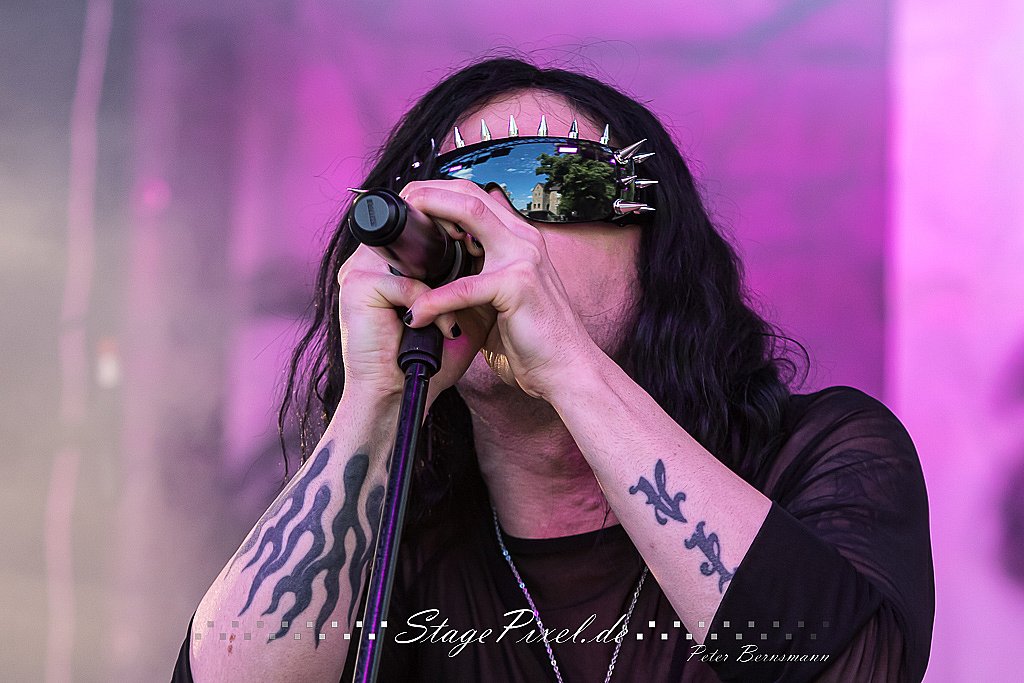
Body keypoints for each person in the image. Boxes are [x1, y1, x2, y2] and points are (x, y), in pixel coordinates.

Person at [172, 57, 934, 682]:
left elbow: (850, 671)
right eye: (453, 201)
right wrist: (376, 397)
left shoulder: (817, 453)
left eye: (549, 183)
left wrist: (567, 363)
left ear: (656, 252)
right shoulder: (392, 528)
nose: (494, 228)